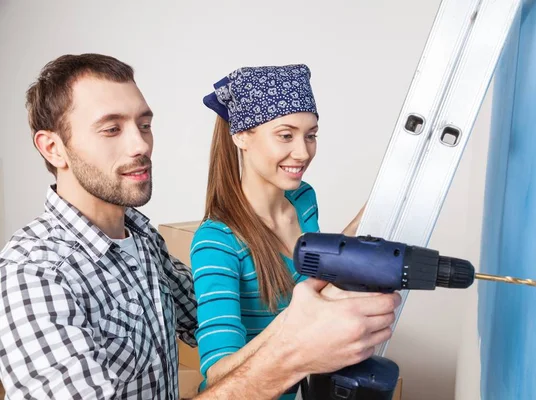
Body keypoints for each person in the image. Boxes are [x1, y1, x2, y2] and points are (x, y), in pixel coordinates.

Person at [0, 53, 400, 400]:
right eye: (111, 128)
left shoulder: (140, 240)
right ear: (53, 148)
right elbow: (230, 364)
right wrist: (293, 351)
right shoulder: (34, 274)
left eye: (144, 124)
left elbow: (210, 318)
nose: (140, 145)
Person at [191, 64, 365, 398]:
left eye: (310, 135)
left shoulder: (303, 199)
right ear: (241, 136)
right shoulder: (217, 242)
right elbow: (218, 375)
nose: (303, 152)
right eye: (286, 135)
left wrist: (360, 230)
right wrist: (297, 331)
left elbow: (316, 283)